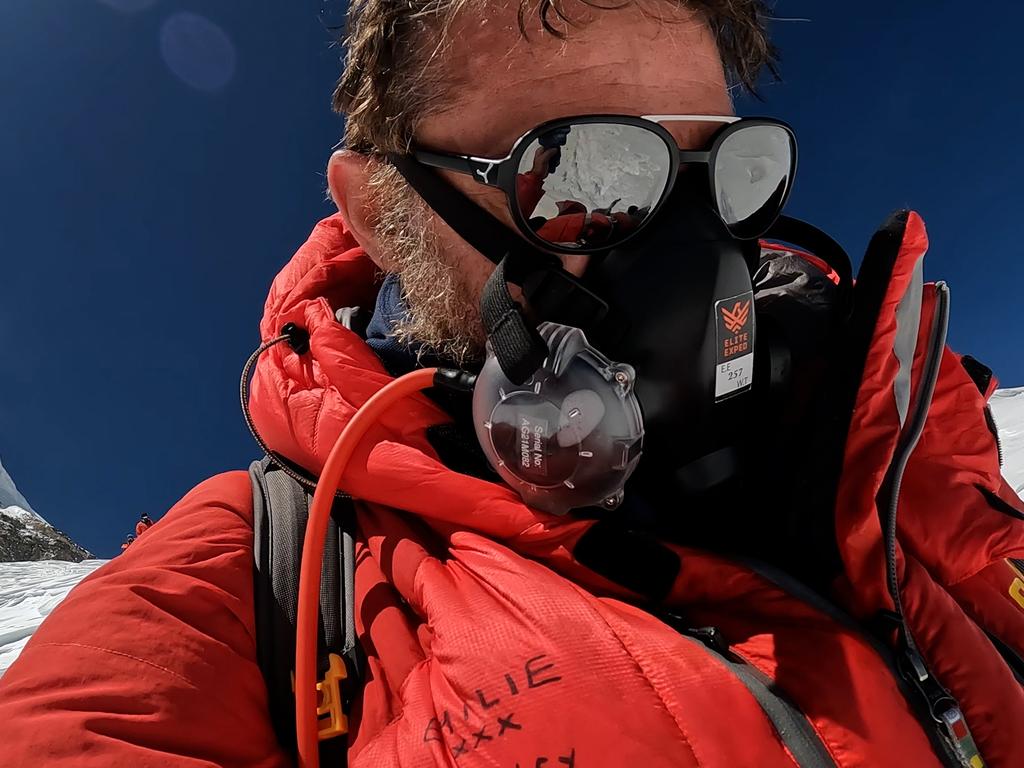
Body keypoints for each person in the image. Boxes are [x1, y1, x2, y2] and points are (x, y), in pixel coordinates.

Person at [2, 2, 1023, 766]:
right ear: (376, 213)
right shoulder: (254, 579)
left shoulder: (911, 439)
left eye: (727, 169)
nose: (689, 249)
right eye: (578, 176)